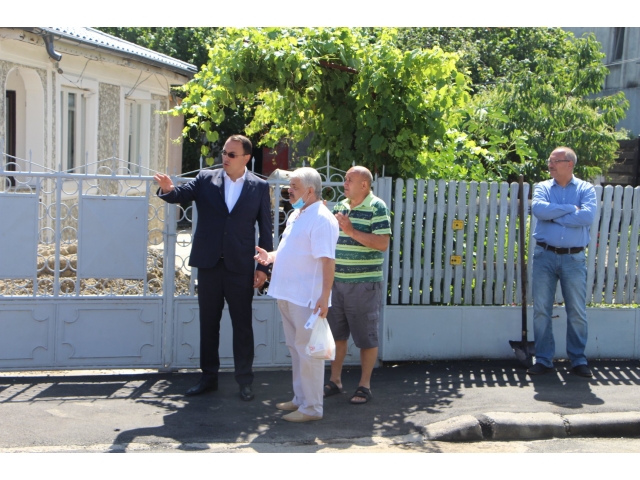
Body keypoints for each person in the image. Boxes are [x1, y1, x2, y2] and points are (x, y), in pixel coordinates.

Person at [154, 135, 272, 401]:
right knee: (209, 324)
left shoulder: (259, 186)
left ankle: (245, 381)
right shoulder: (206, 178)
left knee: (242, 326)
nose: (225, 158)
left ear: (246, 158)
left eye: (231, 154)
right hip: (209, 264)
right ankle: (208, 378)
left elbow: (266, 230)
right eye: (224, 153)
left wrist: (263, 268)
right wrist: (168, 190)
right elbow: (181, 194)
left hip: (240, 266)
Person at [254, 167, 339, 422]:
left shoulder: (322, 219)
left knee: (309, 352)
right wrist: (270, 257)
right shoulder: (297, 214)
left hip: (307, 298)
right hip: (289, 294)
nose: (288, 190)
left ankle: (312, 408)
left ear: (310, 191)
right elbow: (291, 250)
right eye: (289, 186)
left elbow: (328, 261)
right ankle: (300, 400)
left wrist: (324, 296)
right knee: (296, 348)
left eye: (294, 187)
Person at [324, 166, 391, 404]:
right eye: (345, 179)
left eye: (349, 180)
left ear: (364, 185)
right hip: (337, 283)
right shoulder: (341, 206)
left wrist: (351, 231)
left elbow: (382, 243)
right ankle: (335, 381)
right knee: (337, 335)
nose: (345, 183)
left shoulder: (377, 207)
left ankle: (364, 386)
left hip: (364, 284)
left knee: (366, 338)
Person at [528, 147, 597, 378]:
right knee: (541, 310)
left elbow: (587, 216)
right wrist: (569, 210)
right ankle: (543, 359)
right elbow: (539, 210)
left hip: (574, 258)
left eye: (555, 161)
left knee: (576, 311)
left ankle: (578, 359)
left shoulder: (586, 189)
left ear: (569, 164)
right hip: (544, 256)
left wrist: (554, 216)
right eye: (549, 160)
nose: (550, 164)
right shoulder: (543, 187)